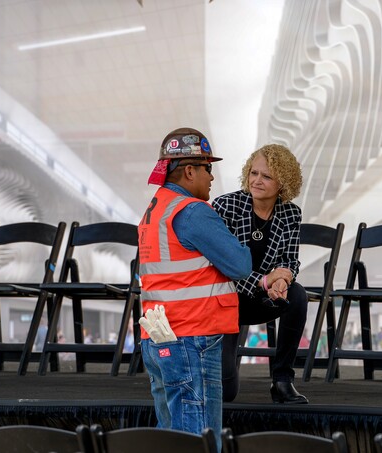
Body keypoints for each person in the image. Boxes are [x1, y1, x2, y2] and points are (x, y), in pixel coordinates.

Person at [138, 128, 252, 439]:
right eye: (208, 168)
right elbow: (240, 265)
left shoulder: (156, 210)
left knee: (171, 439)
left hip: (159, 337)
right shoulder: (193, 212)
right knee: (198, 439)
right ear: (189, 171)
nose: (212, 178)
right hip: (192, 338)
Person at [213, 143, 309, 404]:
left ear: (283, 183)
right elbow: (222, 265)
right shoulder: (226, 206)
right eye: (253, 173)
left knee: (298, 295)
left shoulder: (291, 214)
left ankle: (282, 381)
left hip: (263, 298)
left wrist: (283, 279)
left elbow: (290, 260)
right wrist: (265, 280)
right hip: (226, 300)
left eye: (266, 176)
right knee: (225, 393)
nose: (256, 180)